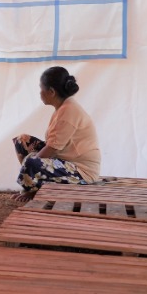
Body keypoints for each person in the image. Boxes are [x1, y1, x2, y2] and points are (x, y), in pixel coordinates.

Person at [12, 66, 100, 202]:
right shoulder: (63, 108)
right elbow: (51, 146)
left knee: (31, 162)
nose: (40, 93)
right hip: (64, 161)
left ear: (51, 92)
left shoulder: (68, 111)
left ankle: (31, 189)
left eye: (41, 89)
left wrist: (30, 164)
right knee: (22, 140)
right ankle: (33, 186)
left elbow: (51, 149)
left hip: (81, 171)